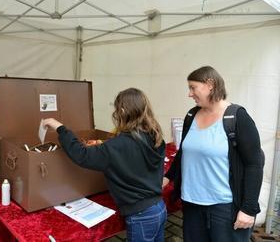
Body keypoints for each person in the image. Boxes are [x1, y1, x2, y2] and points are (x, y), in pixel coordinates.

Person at [43, 88, 167, 242]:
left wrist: (60, 128)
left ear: (122, 110)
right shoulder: (155, 136)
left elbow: (82, 155)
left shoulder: (117, 145)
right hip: (159, 207)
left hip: (140, 215)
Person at [163, 66, 263, 242]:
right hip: (191, 203)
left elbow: (254, 164)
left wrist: (248, 209)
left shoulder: (237, 117)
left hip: (224, 207)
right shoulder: (191, 115)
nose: (189, 94)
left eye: (193, 87)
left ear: (210, 84)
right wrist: (168, 177)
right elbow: (184, 153)